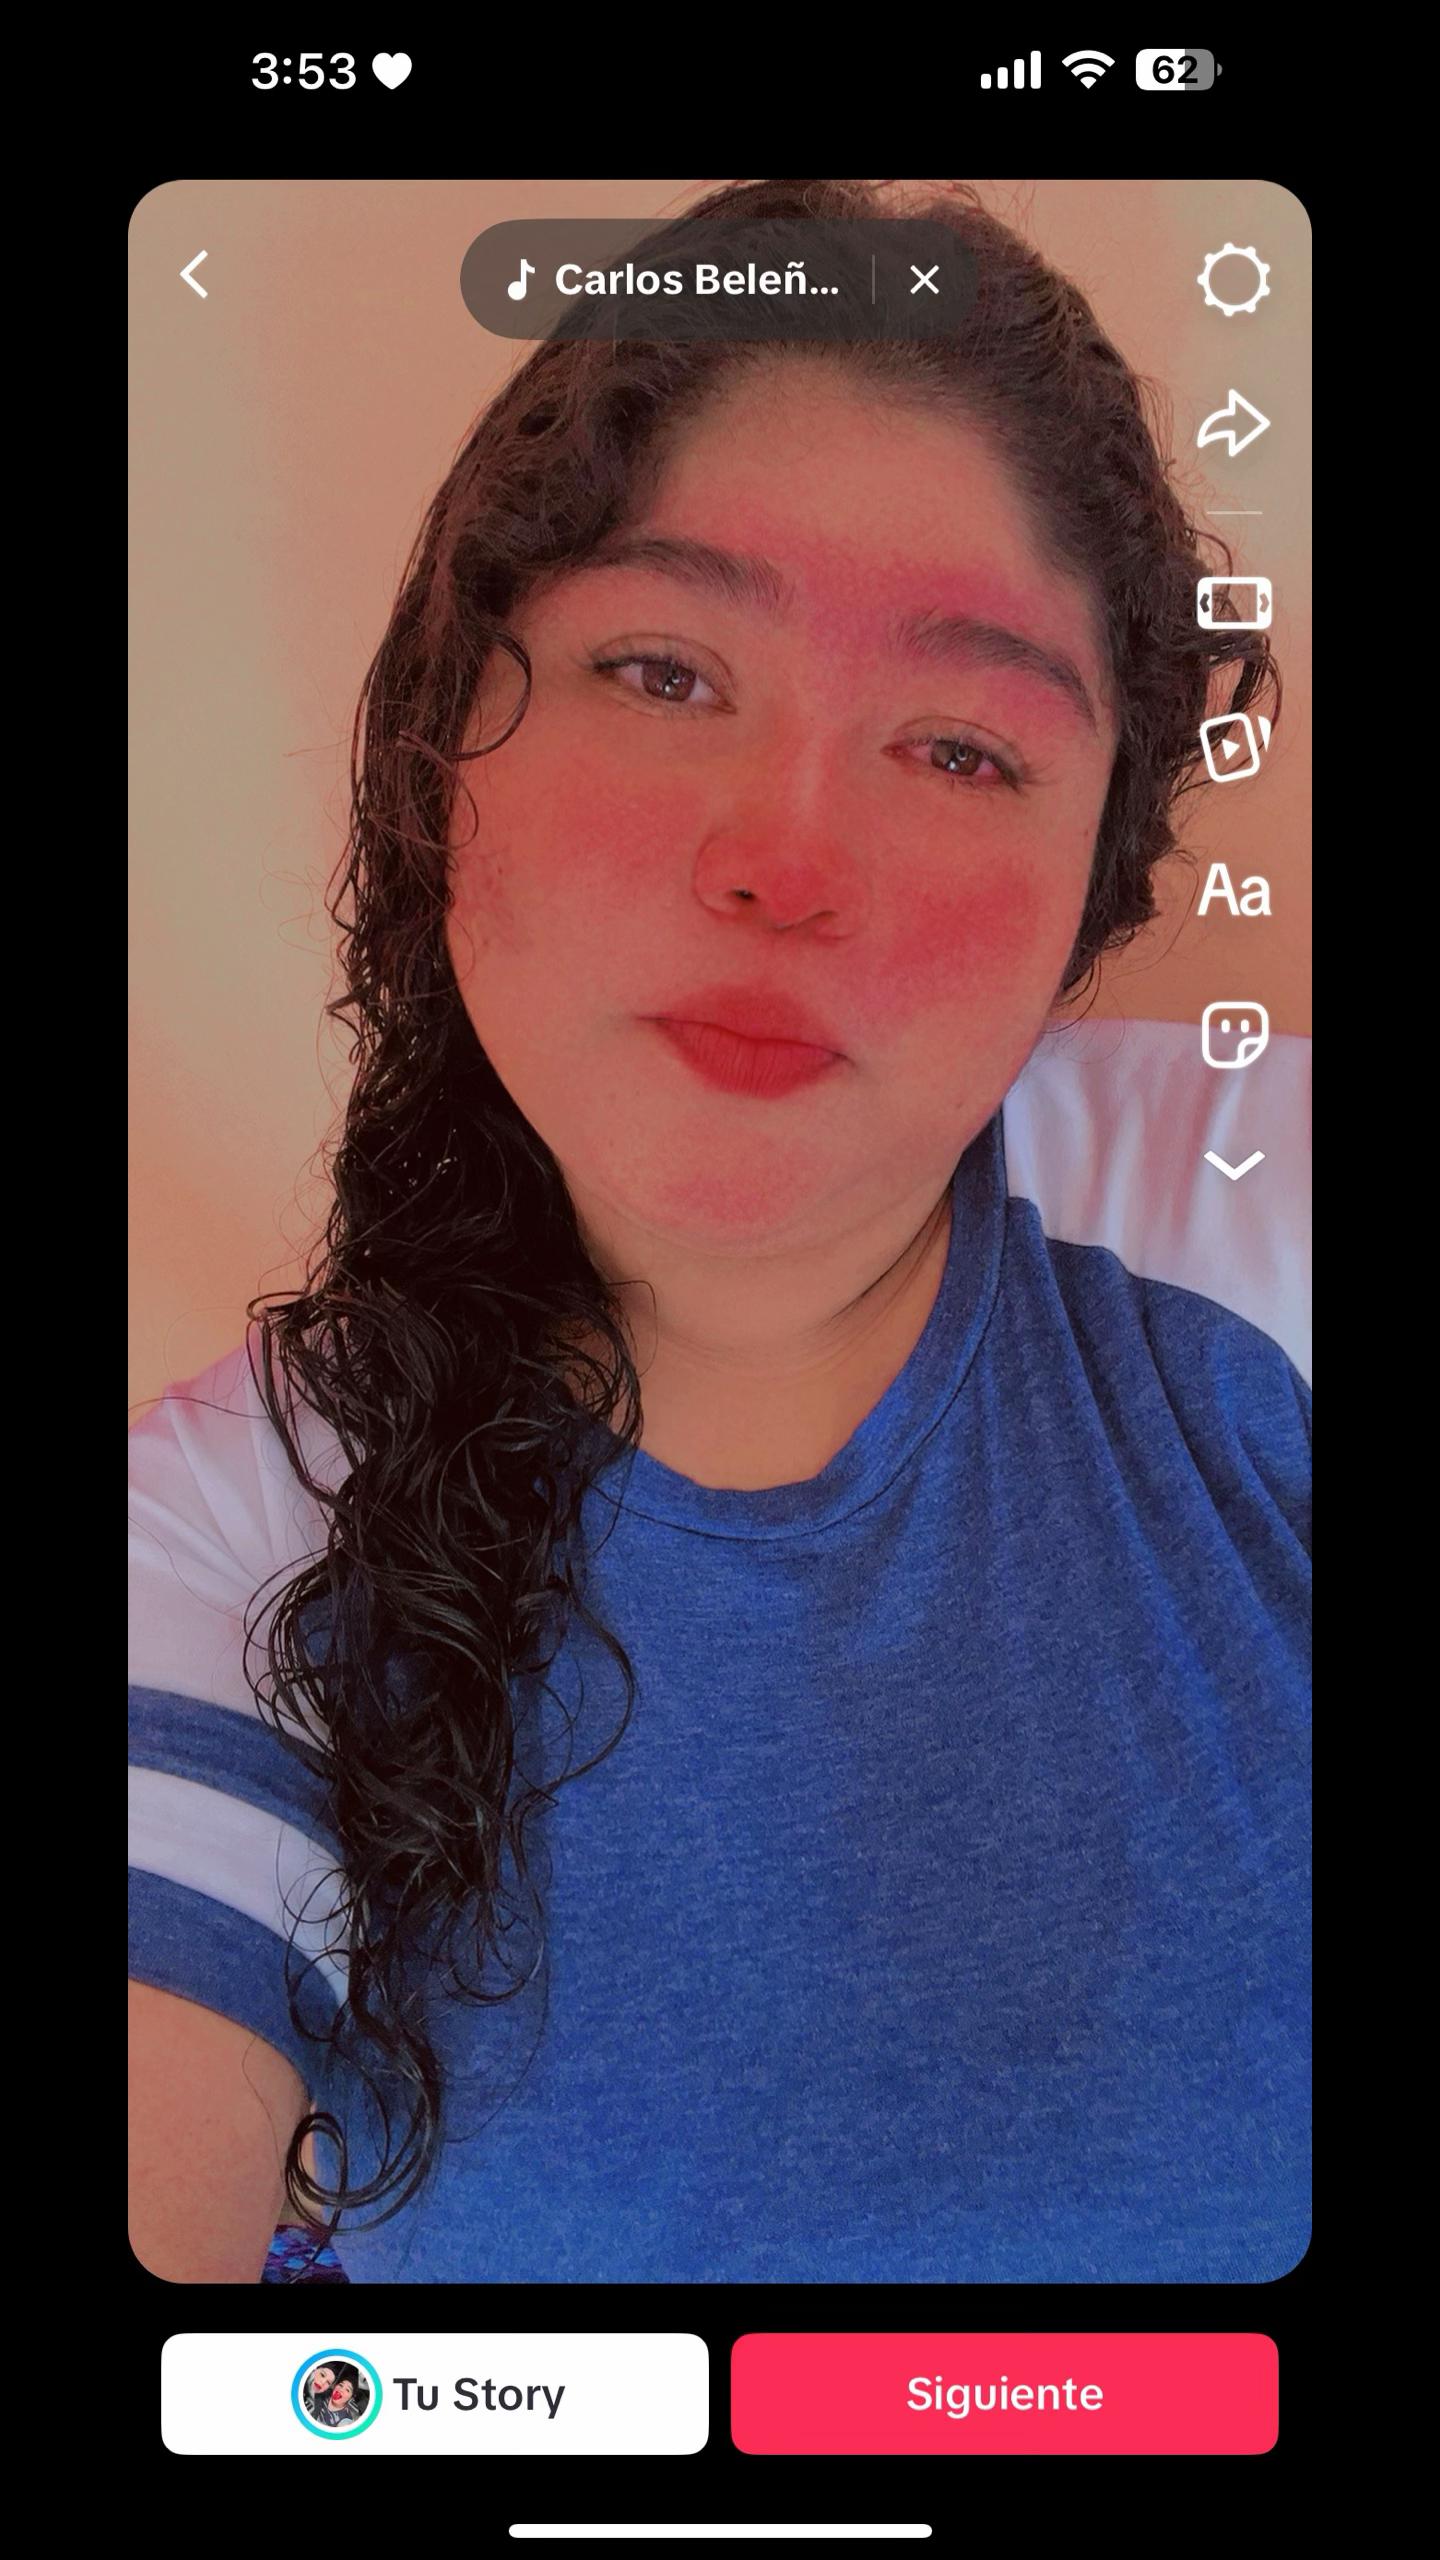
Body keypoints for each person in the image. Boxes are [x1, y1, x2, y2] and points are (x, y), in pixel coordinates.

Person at [129, 176, 1309, 2286]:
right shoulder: (235, 1529)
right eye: (665, 671)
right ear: (440, 755)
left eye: (961, 747)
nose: (788, 858)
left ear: (1091, 899)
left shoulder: (1246, 1228)